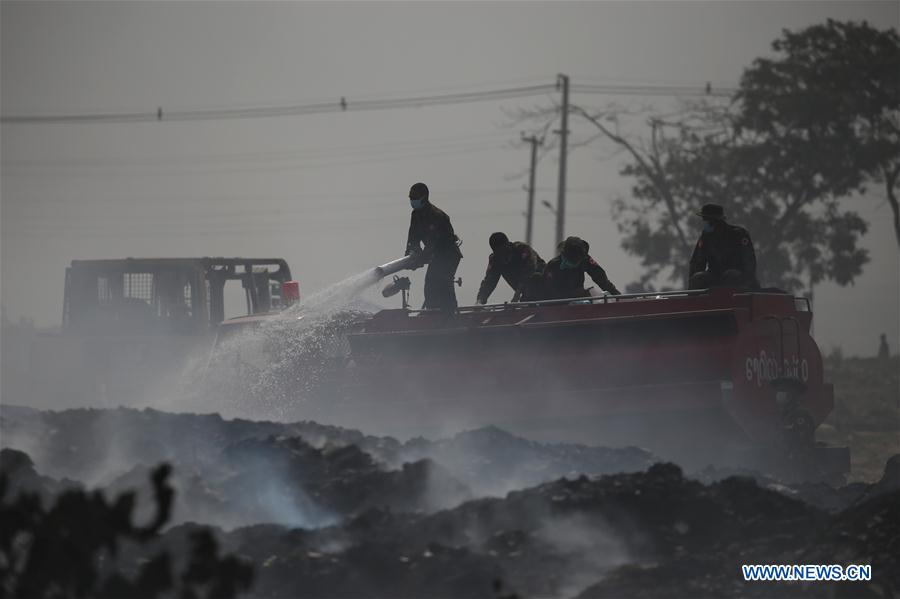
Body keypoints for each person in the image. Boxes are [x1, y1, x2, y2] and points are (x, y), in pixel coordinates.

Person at [405, 182, 462, 311]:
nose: (412, 201)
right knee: (430, 285)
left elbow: (434, 243)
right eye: (411, 198)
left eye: (415, 198)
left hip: (448, 255)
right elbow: (413, 238)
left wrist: (421, 258)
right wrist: (410, 255)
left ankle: (449, 315)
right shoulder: (415, 215)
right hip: (436, 256)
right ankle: (433, 313)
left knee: (442, 283)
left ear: (424, 198)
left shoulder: (437, 215)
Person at [688, 203, 759, 290]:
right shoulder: (706, 237)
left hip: (738, 276)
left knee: (730, 277)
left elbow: (749, 261)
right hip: (715, 275)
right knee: (698, 279)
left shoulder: (738, 235)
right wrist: (693, 282)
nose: (705, 224)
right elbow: (697, 262)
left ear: (717, 222)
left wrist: (747, 279)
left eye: (707, 221)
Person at [541, 236, 621, 299]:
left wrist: (616, 295)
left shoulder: (584, 259)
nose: (575, 262)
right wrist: (573, 294)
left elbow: (601, 278)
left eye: (577, 260)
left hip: (580, 301)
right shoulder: (553, 266)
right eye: (572, 260)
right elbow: (548, 293)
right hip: (559, 306)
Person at [476, 232, 546, 304]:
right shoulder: (495, 260)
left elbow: (529, 271)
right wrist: (480, 300)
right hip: (525, 293)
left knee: (535, 277)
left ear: (508, 245)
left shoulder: (522, 249)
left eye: (504, 251)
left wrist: (517, 294)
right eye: (499, 253)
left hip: (545, 286)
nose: (503, 256)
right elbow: (489, 281)